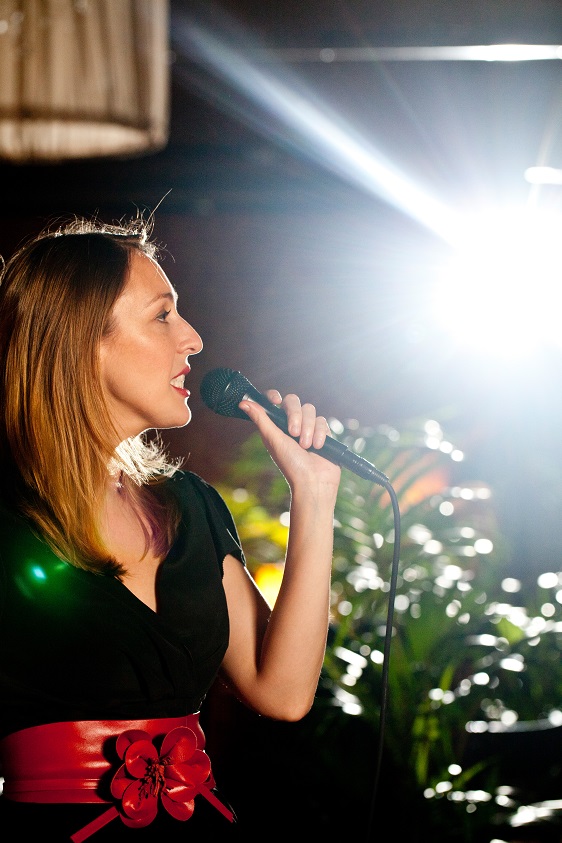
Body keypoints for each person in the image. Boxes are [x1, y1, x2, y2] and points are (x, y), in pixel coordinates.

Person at [0, 215, 342, 840]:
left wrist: (314, 497)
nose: (193, 338)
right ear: (81, 339)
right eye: (162, 315)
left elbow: (283, 692)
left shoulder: (190, 505)